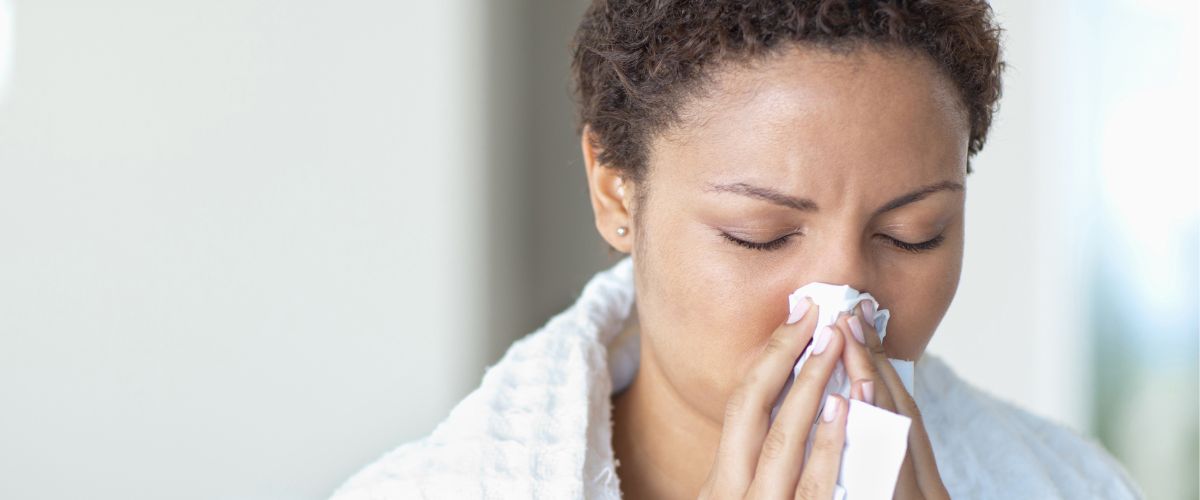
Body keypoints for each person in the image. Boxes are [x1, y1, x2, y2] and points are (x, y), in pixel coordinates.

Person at [331, 1, 1142, 498]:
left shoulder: (1072, 486)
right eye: (760, 236)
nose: (843, 306)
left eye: (912, 234)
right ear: (616, 192)